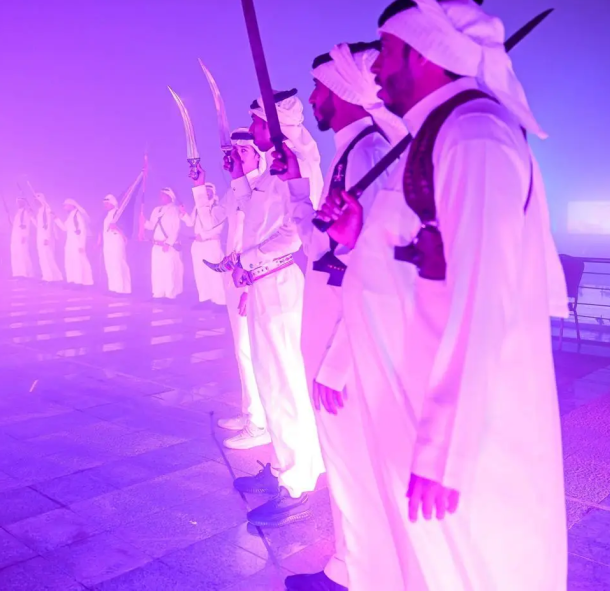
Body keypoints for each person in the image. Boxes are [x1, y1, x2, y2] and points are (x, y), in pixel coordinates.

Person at [313, 1, 570, 588]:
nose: (375, 68)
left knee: (477, 566)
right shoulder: (436, 135)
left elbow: (483, 295)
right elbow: (410, 263)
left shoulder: (475, 136)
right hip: (418, 399)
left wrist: (445, 449)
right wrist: (357, 238)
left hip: (469, 431)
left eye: (387, 51)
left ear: (425, 54)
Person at [284, 41, 408, 591]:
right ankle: (350, 564)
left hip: (346, 328)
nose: (314, 100)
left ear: (342, 90)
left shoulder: (367, 153)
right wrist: (294, 184)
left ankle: (362, 575)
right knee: (344, 458)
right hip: (330, 316)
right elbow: (318, 244)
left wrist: (340, 359)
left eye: (320, 88)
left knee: (354, 459)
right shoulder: (350, 152)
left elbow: (376, 264)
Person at [226, 90, 325, 529]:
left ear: (274, 124)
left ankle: (298, 483)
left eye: (258, 123)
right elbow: (253, 215)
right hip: (263, 282)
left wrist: (248, 260)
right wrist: (238, 177)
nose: (254, 131)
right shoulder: (271, 170)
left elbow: (292, 233)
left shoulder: (297, 162)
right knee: (270, 383)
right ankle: (285, 466)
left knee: (286, 384)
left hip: (281, 283)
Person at [209, 129, 272, 451]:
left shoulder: (266, 187)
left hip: (253, 277)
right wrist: (199, 186)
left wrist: (250, 281)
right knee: (242, 350)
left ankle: (261, 423)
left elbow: (265, 238)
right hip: (234, 276)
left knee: (254, 351)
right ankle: (252, 413)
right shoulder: (235, 190)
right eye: (234, 151)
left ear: (259, 155)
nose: (236, 156)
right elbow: (209, 222)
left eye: (243, 152)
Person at [181, 182, 227, 307]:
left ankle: (220, 302)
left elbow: (218, 227)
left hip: (211, 243)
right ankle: (205, 300)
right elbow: (191, 223)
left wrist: (204, 236)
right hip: (197, 245)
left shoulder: (218, 207)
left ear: (213, 193)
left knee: (215, 273)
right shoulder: (197, 207)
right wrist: (184, 214)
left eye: (209, 191)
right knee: (200, 273)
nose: (206, 193)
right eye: (204, 191)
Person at [143, 188, 184, 299]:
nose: (161, 197)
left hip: (168, 246)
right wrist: (144, 222)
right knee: (157, 270)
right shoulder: (156, 210)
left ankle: (170, 295)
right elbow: (151, 226)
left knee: (169, 271)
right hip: (156, 245)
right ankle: (158, 294)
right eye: (161, 195)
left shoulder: (175, 210)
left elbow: (176, 229)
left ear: (170, 197)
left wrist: (169, 243)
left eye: (164, 195)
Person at [56, 199, 94, 286]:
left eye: (65, 205)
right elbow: (65, 228)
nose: (64, 207)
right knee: (69, 261)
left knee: (77, 262)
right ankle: (71, 281)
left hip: (77, 242)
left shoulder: (78, 215)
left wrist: (81, 245)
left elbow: (82, 231)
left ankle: (78, 282)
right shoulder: (70, 216)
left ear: (71, 205)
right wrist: (56, 219)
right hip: (70, 242)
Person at [101, 194, 132, 294]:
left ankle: (121, 290)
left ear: (112, 203)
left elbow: (125, 228)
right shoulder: (107, 215)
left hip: (116, 241)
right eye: (105, 203)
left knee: (118, 264)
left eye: (107, 203)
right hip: (108, 243)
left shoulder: (119, 213)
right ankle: (113, 288)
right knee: (110, 265)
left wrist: (116, 227)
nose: (105, 205)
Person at [33, 193, 64, 282]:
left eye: (36, 200)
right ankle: (47, 276)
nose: (35, 202)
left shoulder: (47, 210)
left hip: (46, 237)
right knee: (42, 257)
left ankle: (52, 277)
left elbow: (49, 225)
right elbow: (39, 226)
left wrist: (46, 237)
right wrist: (32, 217)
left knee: (48, 257)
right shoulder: (40, 211)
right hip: (40, 237)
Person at [10, 196, 34, 278]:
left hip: (22, 237)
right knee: (15, 254)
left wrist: (24, 236)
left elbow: (26, 225)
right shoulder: (18, 213)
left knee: (23, 254)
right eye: (18, 202)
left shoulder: (26, 212)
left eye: (21, 202)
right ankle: (17, 273)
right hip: (15, 237)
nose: (19, 203)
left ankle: (25, 273)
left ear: (24, 203)